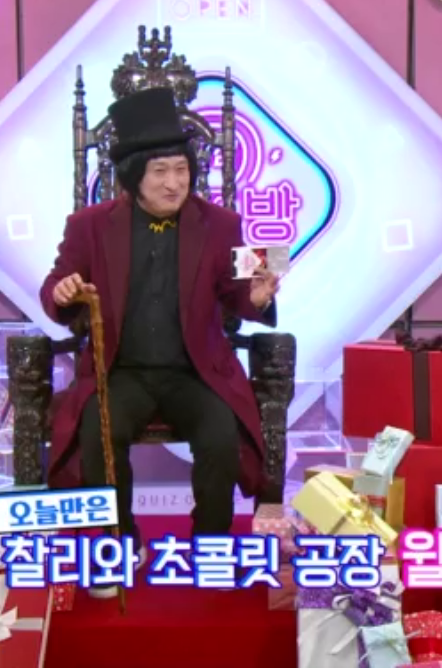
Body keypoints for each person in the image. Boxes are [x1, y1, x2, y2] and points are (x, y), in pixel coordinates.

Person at [39, 87, 279, 598]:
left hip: (195, 370)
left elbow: (238, 292)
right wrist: (62, 292)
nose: (174, 183)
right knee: (99, 432)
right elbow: (57, 282)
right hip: (121, 370)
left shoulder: (221, 224)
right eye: (161, 172)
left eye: (182, 170)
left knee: (220, 435)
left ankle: (210, 546)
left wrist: (256, 297)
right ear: (133, 176)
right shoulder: (89, 226)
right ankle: (119, 543)